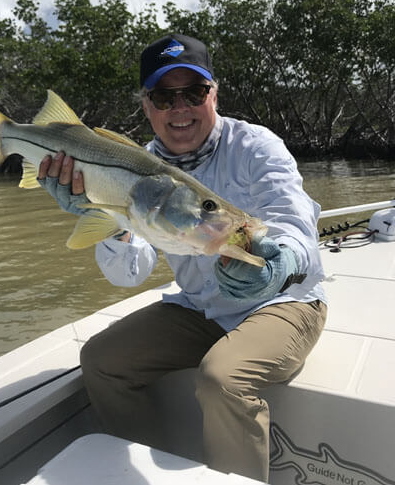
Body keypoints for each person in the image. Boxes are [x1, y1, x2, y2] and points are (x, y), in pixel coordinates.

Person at [37, 34, 327, 482]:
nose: (180, 108)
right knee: (101, 361)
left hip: (284, 303)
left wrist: (279, 263)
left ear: (214, 93)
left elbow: (294, 221)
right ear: (146, 106)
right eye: (164, 96)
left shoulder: (255, 146)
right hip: (199, 308)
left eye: (193, 92)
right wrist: (106, 214)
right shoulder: (136, 165)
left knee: (222, 378)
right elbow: (128, 273)